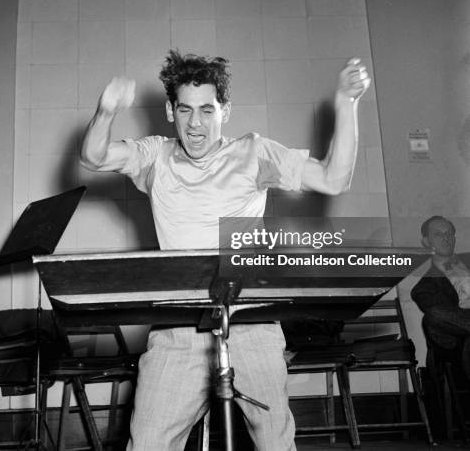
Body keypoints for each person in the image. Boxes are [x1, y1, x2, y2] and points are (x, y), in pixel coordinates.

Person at [79, 50, 370, 451]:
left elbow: (333, 179)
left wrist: (346, 102)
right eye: (185, 111)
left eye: (207, 110)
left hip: (251, 323)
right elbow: (93, 157)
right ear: (169, 111)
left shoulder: (255, 152)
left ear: (225, 111)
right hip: (178, 328)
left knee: (275, 443)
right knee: (147, 443)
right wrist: (106, 110)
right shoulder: (154, 156)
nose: (195, 124)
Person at [411, 216, 470, 380]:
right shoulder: (423, 289)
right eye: (438, 234)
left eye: (449, 233)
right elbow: (447, 319)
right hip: (457, 337)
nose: (446, 238)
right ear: (426, 242)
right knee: (433, 315)